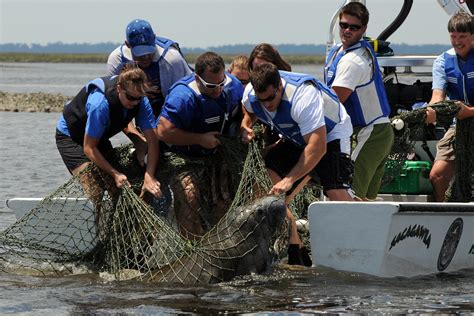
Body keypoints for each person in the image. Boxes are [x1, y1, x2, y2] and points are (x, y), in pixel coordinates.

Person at [241, 63, 354, 266]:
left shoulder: (302, 96)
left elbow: (318, 148)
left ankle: (360, 239)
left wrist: (289, 179)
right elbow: (249, 110)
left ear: (280, 88)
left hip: (330, 134)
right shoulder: (251, 93)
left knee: (336, 194)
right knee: (265, 190)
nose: (266, 105)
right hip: (295, 137)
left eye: (270, 99)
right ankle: (296, 249)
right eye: (261, 100)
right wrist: (246, 124)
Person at [157, 51, 244, 236]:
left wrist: (244, 126)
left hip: (218, 153)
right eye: (211, 85)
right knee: (190, 196)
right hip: (182, 156)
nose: (218, 90)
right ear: (197, 78)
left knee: (224, 199)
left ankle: (218, 245)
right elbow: (163, 132)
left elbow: (247, 110)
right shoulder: (183, 97)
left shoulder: (233, 86)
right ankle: (193, 250)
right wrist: (199, 139)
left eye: (221, 83)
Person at [55, 65, 161, 202]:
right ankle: (99, 221)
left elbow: (153, 141)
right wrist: (115, 173)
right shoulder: (100, 104)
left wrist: (149, 176)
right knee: (96, 191)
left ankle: (121, 222)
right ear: (119, 89)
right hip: (71, 137)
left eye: (138, 98)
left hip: (97, 136)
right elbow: (89, 148)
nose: (135, 102)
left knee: (121, 189)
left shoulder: (140, 100)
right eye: (130, 97)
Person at [324, 2, 393, 201]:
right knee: (367, 201)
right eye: (343, 25)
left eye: (353, 27)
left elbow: (334, 102)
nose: (347, 31)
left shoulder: (352, 61)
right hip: (373, 133)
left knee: (348, 195)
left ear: (363, 29)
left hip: (372, 133)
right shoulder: (338, 51)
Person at [107, 19, 192, 165]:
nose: (145, 58)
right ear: (128, 45)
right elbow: (115, 105)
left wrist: (160, 134)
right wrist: (138, 138)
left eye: (149, 52)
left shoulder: (171, 58)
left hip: (169, 109)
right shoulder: (117, 59)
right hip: (136, 108)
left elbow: (184, 101)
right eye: (140, 54)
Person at [425, 10, 474, 202]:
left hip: (468, 114)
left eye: (462, 36)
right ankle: (443, 216)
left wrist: (469, 111)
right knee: (436, 175)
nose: (457, 42)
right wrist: (430, 111)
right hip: (458, 126)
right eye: (453, 37)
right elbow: (437, 96)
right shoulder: (443, 61)